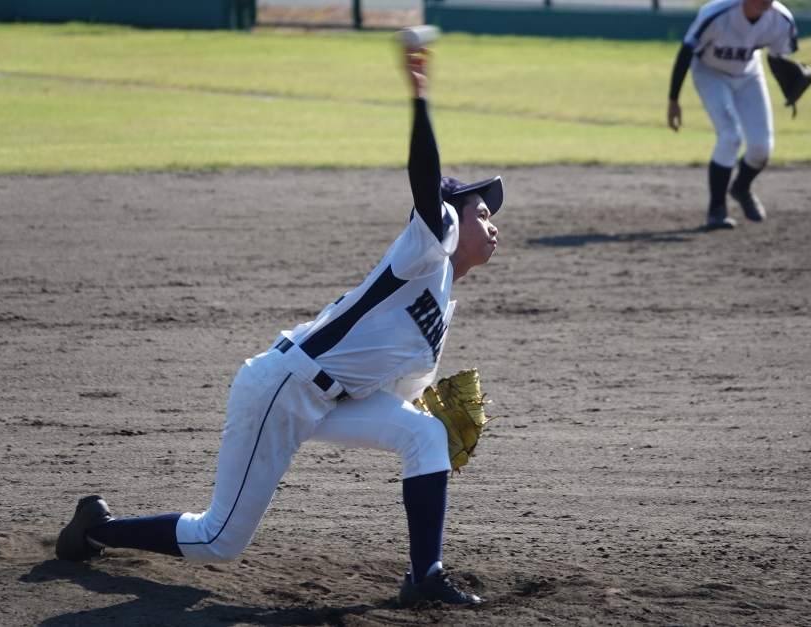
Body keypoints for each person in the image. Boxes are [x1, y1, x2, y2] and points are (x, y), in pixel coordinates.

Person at [55, 45, 503, 607]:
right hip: (283, 388)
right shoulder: (425, 249)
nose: (492, 224)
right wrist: (421, 100)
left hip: (329, 399)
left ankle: (424, 578)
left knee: (426, 435)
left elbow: (385, 381)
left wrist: (419, 425)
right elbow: (426, 184)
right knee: (218, 540)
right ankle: (95, 530)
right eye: (481, 212)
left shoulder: (439, 302)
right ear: (451, 218)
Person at [667, 0, 800, 230]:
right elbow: (687, 51)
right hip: (710, 73)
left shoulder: (781, 19)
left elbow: (778, 56)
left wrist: (789, 85)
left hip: (749, 75)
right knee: (731, 136)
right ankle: (717, 210)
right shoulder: (717, 14)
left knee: (761, 147)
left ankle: (741, 188)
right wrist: (673, 100)